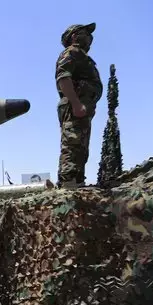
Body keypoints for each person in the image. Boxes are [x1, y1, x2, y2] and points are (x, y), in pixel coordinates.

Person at [55, 23, 103, 189]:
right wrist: (76, 103)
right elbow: (63, 78)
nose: (89, 37)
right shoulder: (71, 53)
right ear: (73, 36)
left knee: (80, 149)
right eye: (85, 33)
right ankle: (69, 186)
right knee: (72, 145)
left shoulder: (82, 56)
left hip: (82, 110)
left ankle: (77, 183)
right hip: (74, 108)